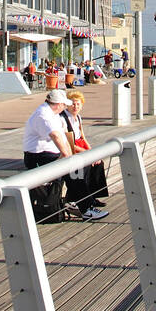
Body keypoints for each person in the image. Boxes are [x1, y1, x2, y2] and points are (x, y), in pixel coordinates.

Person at [23, 89, 76, 223]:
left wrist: (69, 155)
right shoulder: (43, 115)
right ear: (58, 104)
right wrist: (66, 156)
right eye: (64, 105)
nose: (65, 107)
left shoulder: (53, 114)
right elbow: (55, 135)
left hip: (48, 153)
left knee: (80, 168)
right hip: (36, 155)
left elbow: (63, 136)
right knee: (75, 171)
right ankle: (83, 205)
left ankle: (80, 201)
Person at [60, 90, 108, 220]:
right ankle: (79, 199)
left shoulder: (78, 118)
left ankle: (92, 195)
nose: (75, 107)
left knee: (98, 163)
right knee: (84, 166)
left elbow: (83, 136)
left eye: (78, 104)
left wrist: (92, 152)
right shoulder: (63, 119)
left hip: (79, 146)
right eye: (73, 104)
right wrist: (87, 153)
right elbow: (67, 143)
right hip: (71, 148)